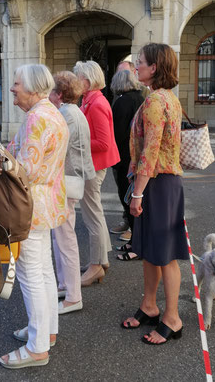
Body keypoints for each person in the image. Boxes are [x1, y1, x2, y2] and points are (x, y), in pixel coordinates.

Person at [0, 64, 69, 369]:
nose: (13, 88)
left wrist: (0, 160)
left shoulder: (36, 118)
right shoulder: (52, 113)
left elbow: (23, 171)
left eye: (16, 83)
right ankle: (46, 332)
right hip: (47, 203)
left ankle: (38, 346)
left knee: (32, 276)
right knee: (43, 272)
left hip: (29, 206)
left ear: (32, 88)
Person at [121, 43, 188, 345]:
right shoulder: (167, 98)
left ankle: (172, 318)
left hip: (156, 183)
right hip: (162, 182)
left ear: (155, 68)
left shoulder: (154, 102)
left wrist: (137, 194)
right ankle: (150, 305)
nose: (136, 65)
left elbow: (150, 151)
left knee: (164, 255)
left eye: (141, 62)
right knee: (150, 250)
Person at [50, 71, 95, 314]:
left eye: (50, 90)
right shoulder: (72, 112)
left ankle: (73, 296)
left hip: (67, 182)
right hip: (71, 180)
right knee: (62, 236)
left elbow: (55, 148)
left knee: (65, 238)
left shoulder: (67, 114)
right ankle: (66, 285)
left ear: (58, 94)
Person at [73, 60, 120, 286]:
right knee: (94, 213)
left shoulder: (97, 103)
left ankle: (96, 264)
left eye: (77, 77)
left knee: (92, 216)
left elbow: (103, 142)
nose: (74, 81)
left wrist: (75, 141)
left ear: (87, 80)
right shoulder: (91, 100)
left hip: (94, 165)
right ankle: (101, 259)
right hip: (93, 164)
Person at [110, 60, 148, 241]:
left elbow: (116, 134)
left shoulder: (121, 102)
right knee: (133, 194)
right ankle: (134, 230)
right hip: (137, 154)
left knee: (125, 192)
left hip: (123, 155)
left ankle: (134, 234)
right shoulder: (140, 98)